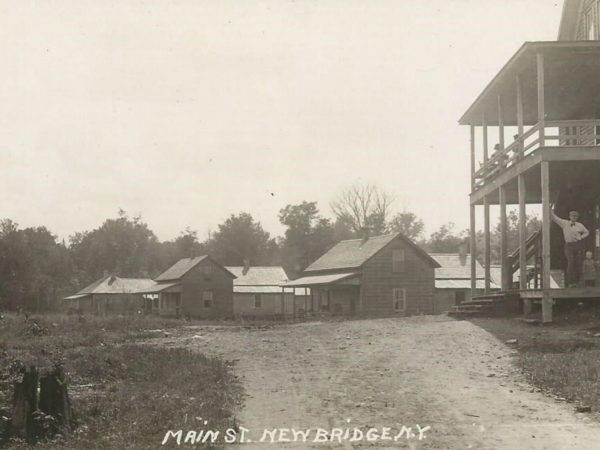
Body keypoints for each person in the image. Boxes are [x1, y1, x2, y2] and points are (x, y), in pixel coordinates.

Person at [551, 206, 589, 287]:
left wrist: (581, 237)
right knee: (570, 263)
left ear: (577, 218)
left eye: (576, 217)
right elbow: (554, 218)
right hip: (569, 246)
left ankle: (578, 282)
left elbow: (587, 232)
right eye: (572, 216)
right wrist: (550, 211)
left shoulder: (580, 225)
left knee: (578, 263)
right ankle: (570, 283)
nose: (574, 218)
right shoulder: (564, 223)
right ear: (570, 216)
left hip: (577, 245)